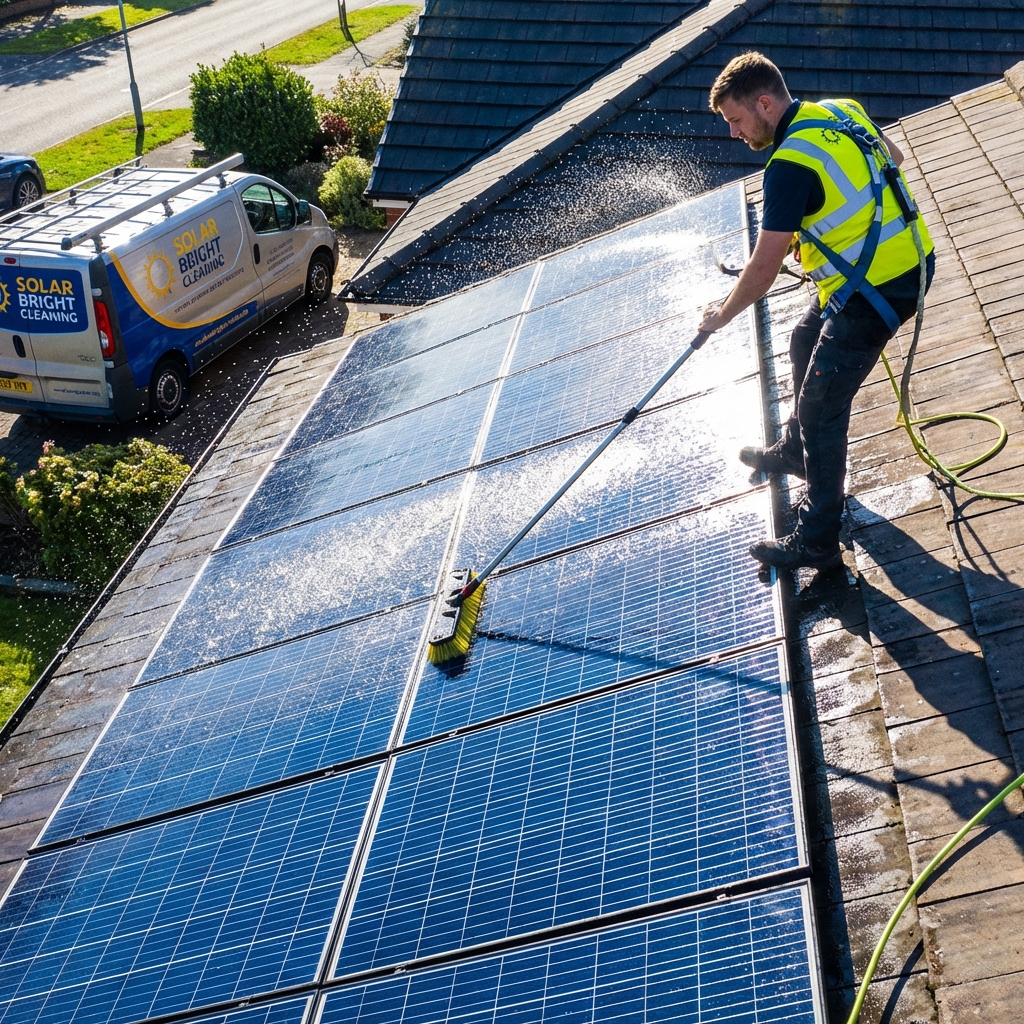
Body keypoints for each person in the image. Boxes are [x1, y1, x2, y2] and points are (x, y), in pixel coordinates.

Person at [698, 52, 935, 570]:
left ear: (764, 103)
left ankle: (817, 538)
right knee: (804, 339)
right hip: (911, 260)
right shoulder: (839, 111)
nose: (734, 135)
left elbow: (762, 269)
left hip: (879, 291)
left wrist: (722, 315)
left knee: (821, 407)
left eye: (736, 121)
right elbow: (892, 158)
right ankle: (794, 452)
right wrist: (834, 230)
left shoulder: (786, 167)